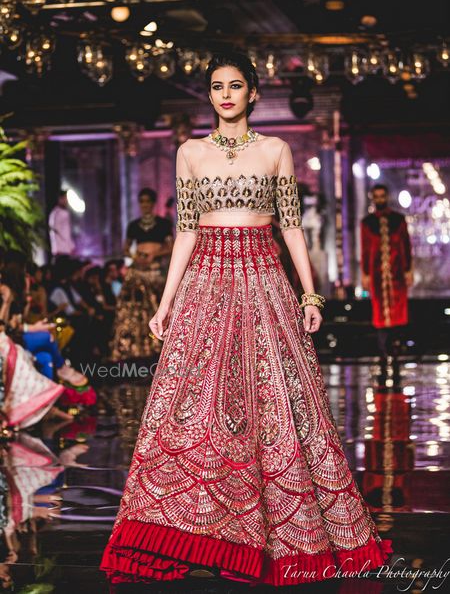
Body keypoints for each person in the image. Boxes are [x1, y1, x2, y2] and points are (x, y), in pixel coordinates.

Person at [100, 52, 393, 588]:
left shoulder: (276, 150)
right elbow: (186, 231)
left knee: (277, 406)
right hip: (205, 283)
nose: (226, 94)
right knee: (195, 410)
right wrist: (165, 304)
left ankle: (276, 536)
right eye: (217, 87)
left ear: (253, 93)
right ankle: (201, 529)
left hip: (263, 280)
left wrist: (310, 295)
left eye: (236, 85)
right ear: (209, 95)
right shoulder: (189, 153)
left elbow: (291, 228)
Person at [109, 188, 174, 361]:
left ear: (153, 203)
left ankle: (157, 347)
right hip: (137, 270)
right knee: (133, 310)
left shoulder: (163, 224)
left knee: (155, 305)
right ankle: (135, 350)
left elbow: (171, 246)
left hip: (155, 271)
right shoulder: (133, 225)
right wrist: (135, 256)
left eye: (148, 201)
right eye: (142, 201)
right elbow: (125, 248)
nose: (145, 205)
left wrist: (154, 255)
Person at [361, 184, 413, 362]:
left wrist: (408, 270)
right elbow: (365, 250)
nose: (380, 199)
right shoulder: (367, 223)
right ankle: (383, 351)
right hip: (377, 274)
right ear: (373, 198)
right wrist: (365, 273)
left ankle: (397, 348)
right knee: (380, 310)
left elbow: (406, 245)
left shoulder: (398, 220)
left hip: (397, 272)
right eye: (377, 196)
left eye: (382, 196)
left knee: (398, 307)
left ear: (387, 196)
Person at [48, 190, 75, 258]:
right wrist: (57, 248)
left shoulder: (65, 212)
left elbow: (66, 233)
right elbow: (53, 231)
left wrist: (71, 246)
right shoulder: (56, 213)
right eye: (65, 198)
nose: (67, 201)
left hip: (66, 251)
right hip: (60, 252)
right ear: (60, 198)